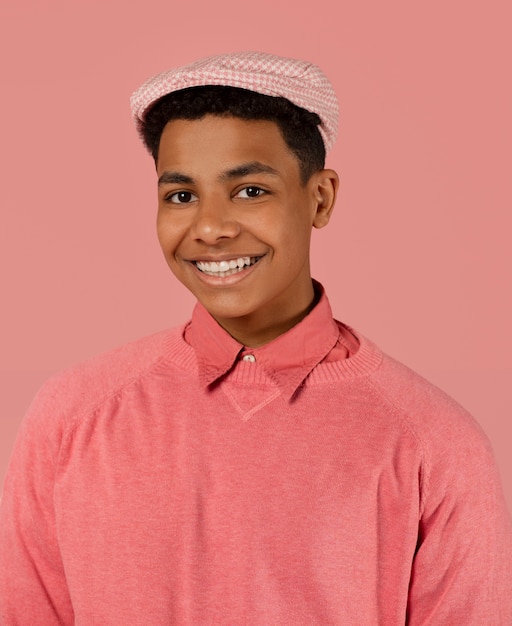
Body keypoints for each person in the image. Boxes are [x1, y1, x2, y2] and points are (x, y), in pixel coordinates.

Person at [0, 51, 511, 625]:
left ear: (320, 198)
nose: (211, 227)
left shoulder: (435, 443)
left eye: (249, 191)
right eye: (181, 195)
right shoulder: (72, 414)